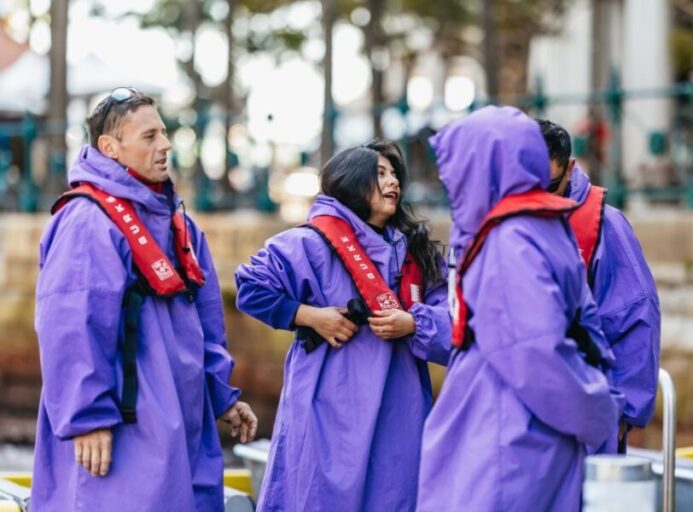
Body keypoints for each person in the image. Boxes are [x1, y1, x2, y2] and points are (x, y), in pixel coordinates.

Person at [32, 87, 257, 512]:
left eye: (164, 132)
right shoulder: (87, 222)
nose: (166, 144)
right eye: (149, 136)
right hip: (125, 425)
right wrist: (87, 418)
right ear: (110, 148)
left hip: (184, 421)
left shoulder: (179, 225)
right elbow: (70, 325)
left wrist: (221, 396)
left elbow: (206, 325)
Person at [417, 106, 623, 512]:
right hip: (532, 436)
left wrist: (597, 412)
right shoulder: (545, 227)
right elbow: (581, 331)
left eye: (456, 166)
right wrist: (601, 410)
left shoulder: (507, 241)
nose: (447, 178)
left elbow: (536, 351)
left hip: (504, 437)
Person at [235, 139, 452, 511]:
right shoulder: (309, 244)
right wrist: (311, 316)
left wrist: (413, 323)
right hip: (327, 403)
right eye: (379, 173)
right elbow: (251, 287)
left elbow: (457, 323)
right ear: (352, 182)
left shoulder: (418, 254)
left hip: (399, 406)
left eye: (394, 174)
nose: (393, 182)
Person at [538, 119, 661, 452]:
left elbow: (636, 312)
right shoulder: (513, 225)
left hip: (589, 411)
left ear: (570, 169)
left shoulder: (607, 225)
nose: (537, 199)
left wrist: (622, 413)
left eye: (548, 187)